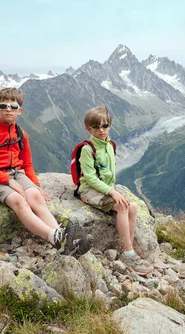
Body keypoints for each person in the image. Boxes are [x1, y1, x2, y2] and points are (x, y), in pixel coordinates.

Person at [0, 87, 92, 256]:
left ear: (20, 111)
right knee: (18, 200)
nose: (8, 110)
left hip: (17, 172)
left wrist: (35, 185)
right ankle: (55, 238)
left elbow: (27, 163)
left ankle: (64, 239)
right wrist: (8, 181)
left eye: (13, 107)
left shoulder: (21, 134)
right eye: (4, 106)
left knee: (36, 197)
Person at [77, 106, 152, 276]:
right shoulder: (87, 149)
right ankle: (128, 253)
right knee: (123, 207)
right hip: (89, 190)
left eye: (105, 126)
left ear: (110, 125)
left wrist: (111, 190)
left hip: (105, 189)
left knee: (132, 207)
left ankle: (128, 250)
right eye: (96, 127)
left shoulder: (110, 145)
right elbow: (90, 178)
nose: (101, 130)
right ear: (88, 129)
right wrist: (112, 192)